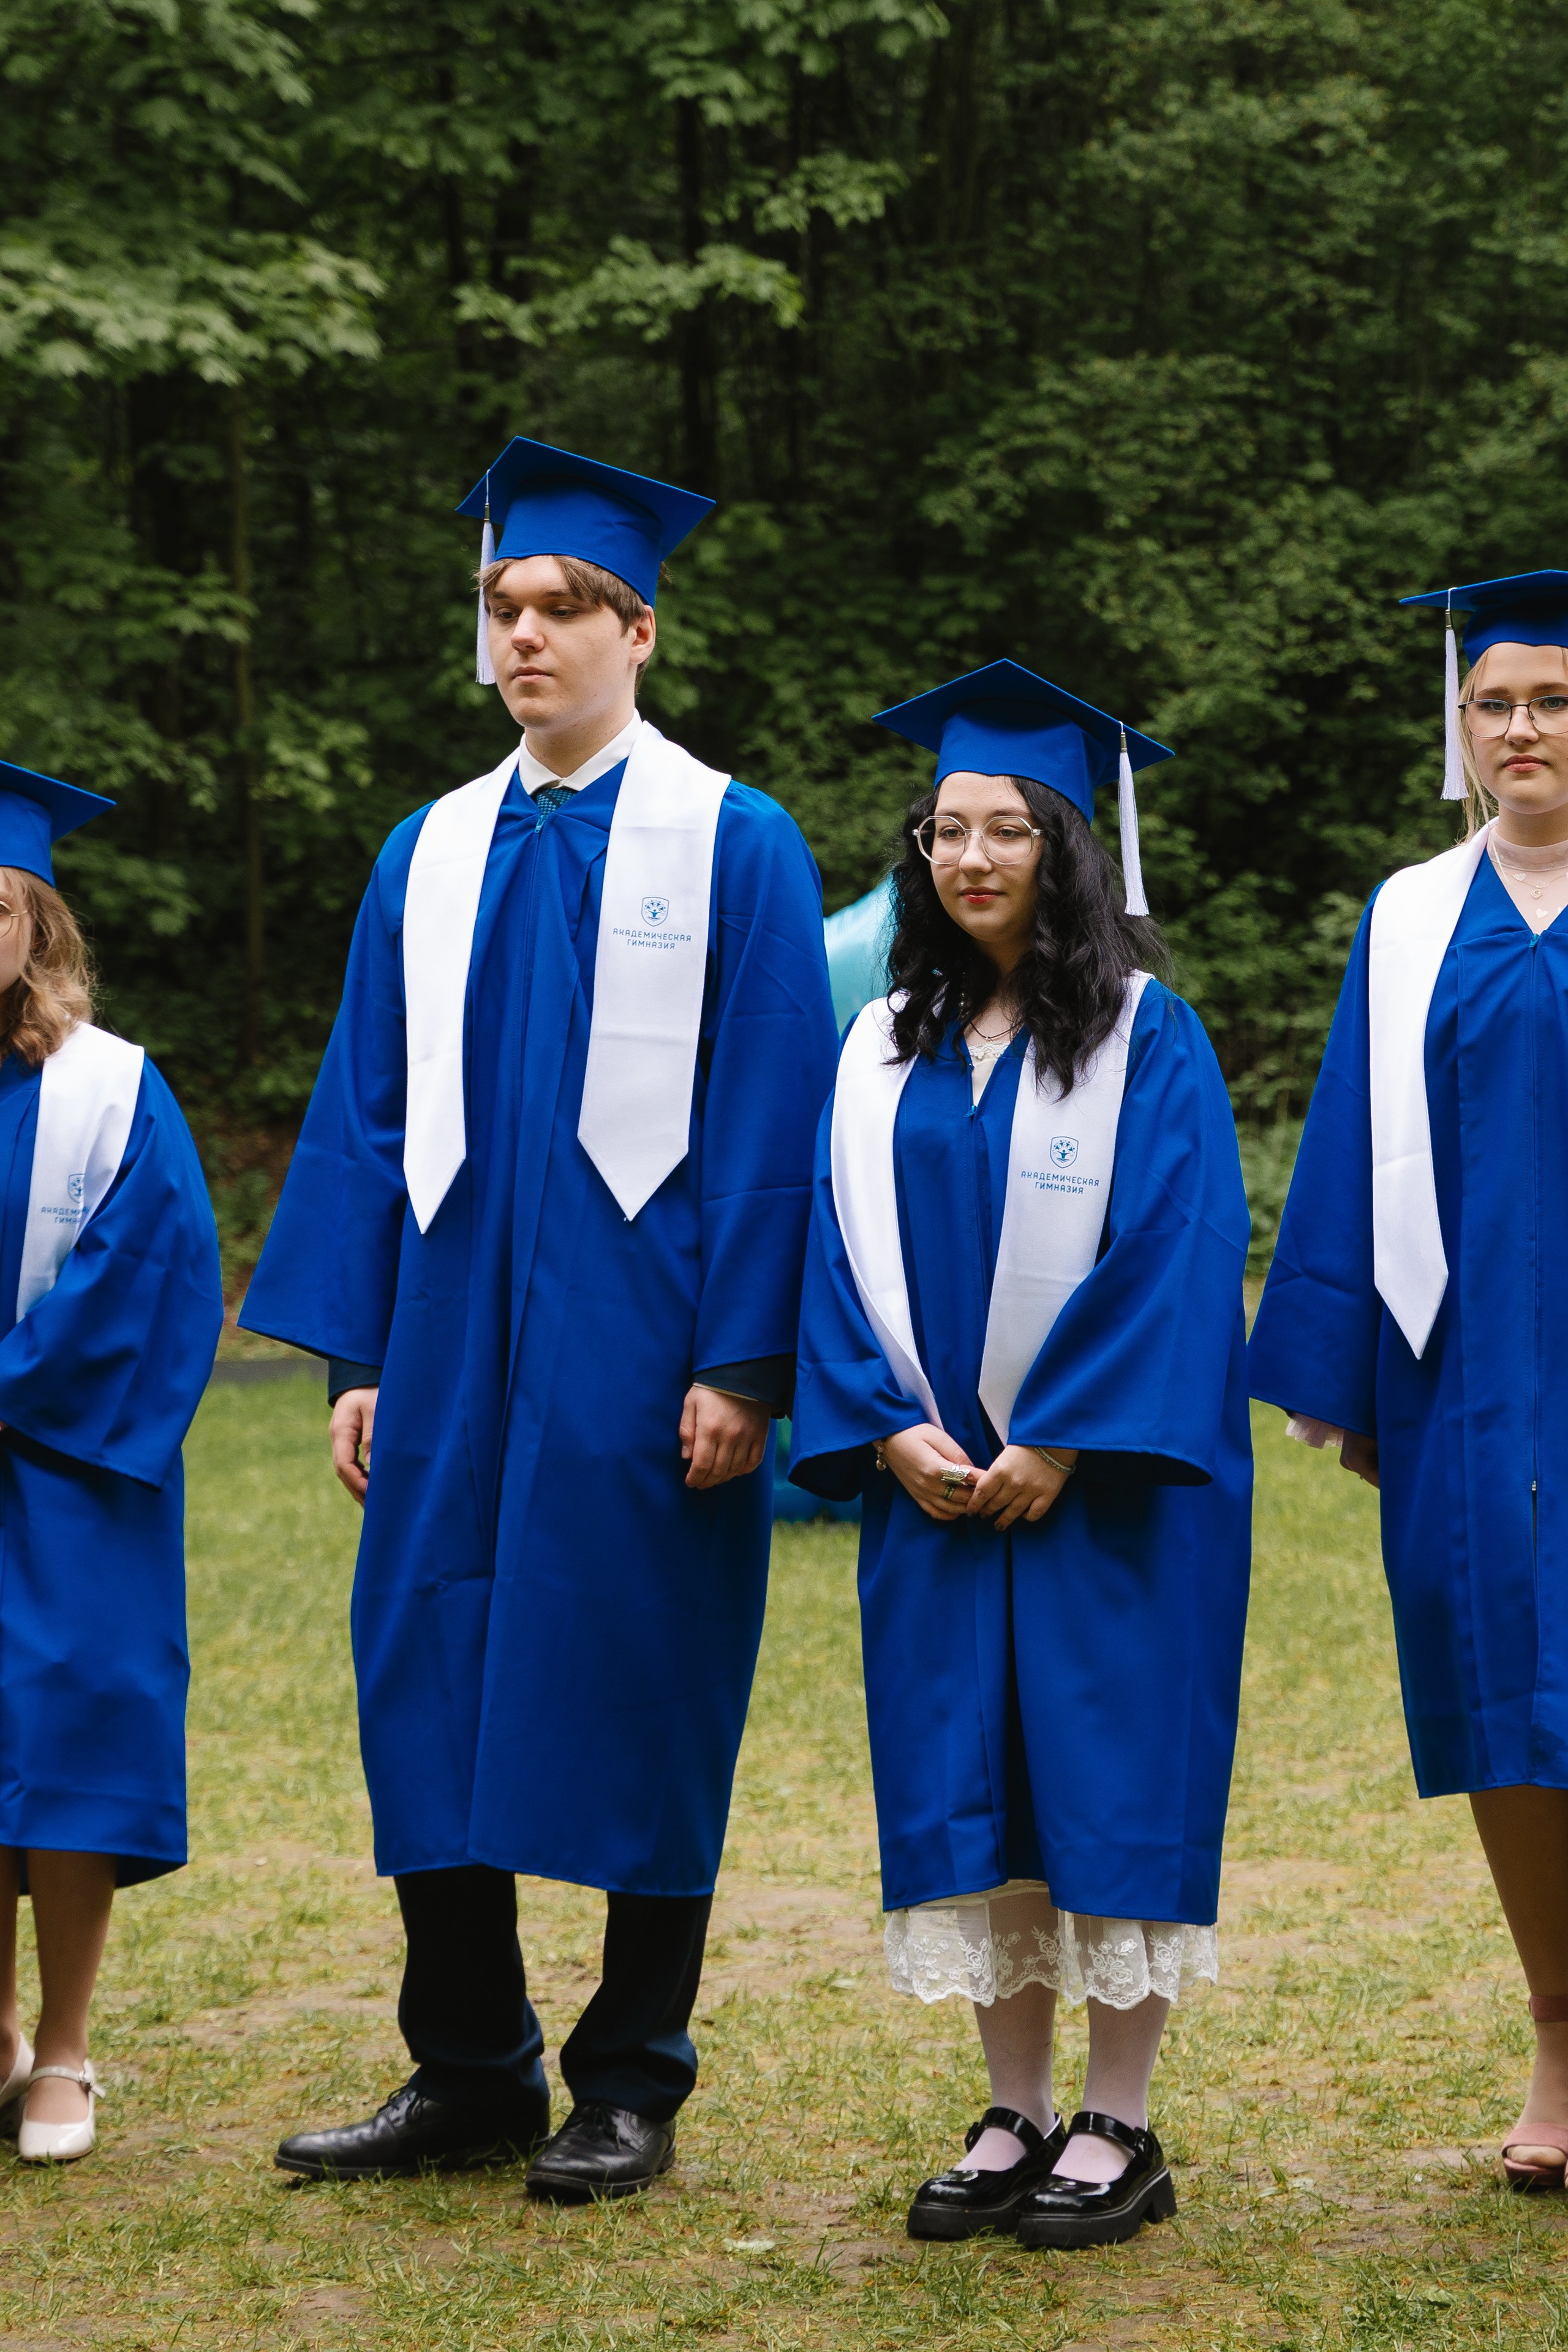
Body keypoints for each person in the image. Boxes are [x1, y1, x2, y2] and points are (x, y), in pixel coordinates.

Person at [239, 437, 839, 2199]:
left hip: (643, 1345)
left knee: (645, 1675)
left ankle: (632, 2078)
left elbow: (770, 1115)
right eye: (505, 607)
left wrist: (743, 1360)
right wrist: (357, 1355)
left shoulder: (734, 839)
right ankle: (470, 2068)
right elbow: (365, 1109)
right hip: (446, 1340)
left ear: (638, 631)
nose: (527, 637)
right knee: (427, 1676)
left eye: (565, 607)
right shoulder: (424, 852)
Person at [789, 662, 1253, 2250]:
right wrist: (884, 1423)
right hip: (937, 1492)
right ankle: (1011, 2109)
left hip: (1104, 1499)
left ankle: (1117, 2119)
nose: (971, 858)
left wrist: (1058, 1434)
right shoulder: (877, 1049)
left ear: (1065, 847)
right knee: (970, 1786)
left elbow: (1182, 1246)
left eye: (1006, 831)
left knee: (1102, 1777)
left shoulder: (1145, 1034)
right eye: (946, 831)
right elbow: (827, 1257)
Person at [1250, 568, 1568, 2195]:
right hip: (1472, 1379)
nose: (1524, 728)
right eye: (1497, 702)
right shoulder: (1411, 913)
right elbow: (1356, 1148)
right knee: (1502, 1699)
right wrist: (1349, 1377)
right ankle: (1559, 2028)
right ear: (1462, 727)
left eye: (1555, 700)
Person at [0, 760, 222, 2165]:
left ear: (36, 920)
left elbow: (157, 1273)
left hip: (69, 1466)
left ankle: (66, 2051)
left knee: (72, 1739)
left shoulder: (108, 1088)